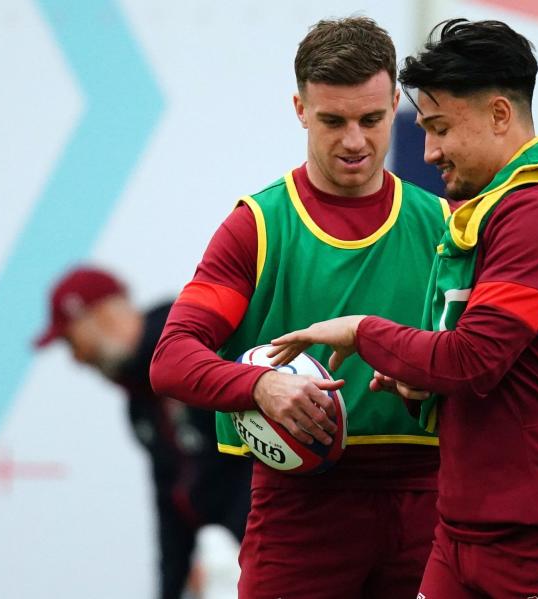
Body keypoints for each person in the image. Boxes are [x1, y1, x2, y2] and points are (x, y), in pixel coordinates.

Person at [271, 18, 538, 598]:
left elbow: (472, 360)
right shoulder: (489, 214)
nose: (429, 151)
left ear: (500, 115)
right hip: (464, 530)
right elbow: (484, 373)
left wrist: (361, 330)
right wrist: (424, 388)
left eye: (440, 129)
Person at [149, 17, 448, 599]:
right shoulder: (258, 228)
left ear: (395, 105)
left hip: (428, 500)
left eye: (372, 119)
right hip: (298, 506)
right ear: (300, 109)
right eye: (333, 121)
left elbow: (484, 361)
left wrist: (433, 384)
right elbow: (171, 359)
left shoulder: (442, 225)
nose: (355, 141)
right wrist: (258, 387)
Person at [34, 266, 252, 599]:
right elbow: (172, 507)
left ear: (102, 317)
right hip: (257, 557)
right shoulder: (140, 404)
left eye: (71, 340)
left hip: (291, 543)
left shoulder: (197, 342)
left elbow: (259, 453)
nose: (76, 359)